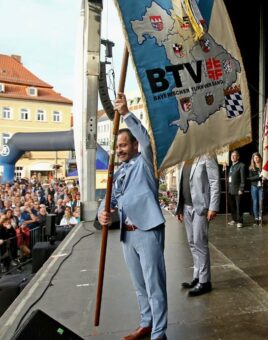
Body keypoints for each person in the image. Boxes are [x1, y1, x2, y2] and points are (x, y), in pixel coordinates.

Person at [98, 93, 167, 340]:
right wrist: (103, 214)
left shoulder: (146, 162)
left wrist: (126, 112)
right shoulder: (118, 173)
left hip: (148, 230)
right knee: (140, 287)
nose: (120, 150)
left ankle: (159, 333)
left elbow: (147, 141)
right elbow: (109, 201)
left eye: (124, 145)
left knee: (154, 285)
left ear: (134, 145)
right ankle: (146, 324)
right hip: (128, 236)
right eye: (117, 147)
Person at [176, 154, 220, 296]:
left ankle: (205, 281)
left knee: (200, 243)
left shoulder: (207, 154)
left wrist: (213, 206)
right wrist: (179, 207)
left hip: (200, 207)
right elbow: (181, 182)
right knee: (191, 242)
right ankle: (197, 277)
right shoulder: (183, 157)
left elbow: (214, 181)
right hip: (186, 207)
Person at [227, 150, 246, 228]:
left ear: (238, 157)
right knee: (232, 206)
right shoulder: (231, 166)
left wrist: (241, 189)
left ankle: (240, 221)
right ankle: (234, 219)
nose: (233, 157)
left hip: (238, 190)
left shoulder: (241, 165)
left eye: (235, 155)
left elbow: (243, 179)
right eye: (232, 155)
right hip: (230, 189)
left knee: (239, 206)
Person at [247, 152, 263, 226]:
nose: (256, 159)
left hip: (261, 186)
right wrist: (259, 176)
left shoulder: (263, 167)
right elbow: (249, 178)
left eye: (257, 157)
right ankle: (256, 218)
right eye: (255, 158)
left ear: (259, 158)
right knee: (255, 202)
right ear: (253, 159)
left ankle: (260, 217)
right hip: (254, 186)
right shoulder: (251, 168)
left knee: (261, 202)